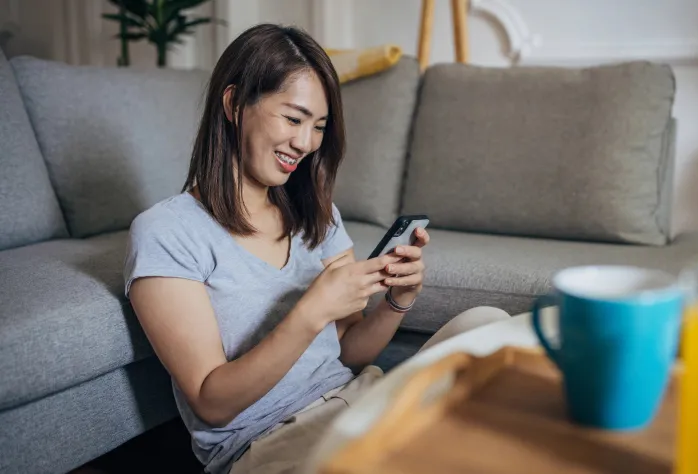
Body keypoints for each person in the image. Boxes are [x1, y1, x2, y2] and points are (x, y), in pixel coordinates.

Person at [124, 23, 510, 474]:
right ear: (233, 104)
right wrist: (311, 310)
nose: (305, 143)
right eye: (293, 119)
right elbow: (212, 403)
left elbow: (349, 352)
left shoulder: (316, 215)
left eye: (318, 127)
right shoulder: (167, 232)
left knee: (489, 325)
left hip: (363, 404)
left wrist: (395, 302)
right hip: (273, 443)